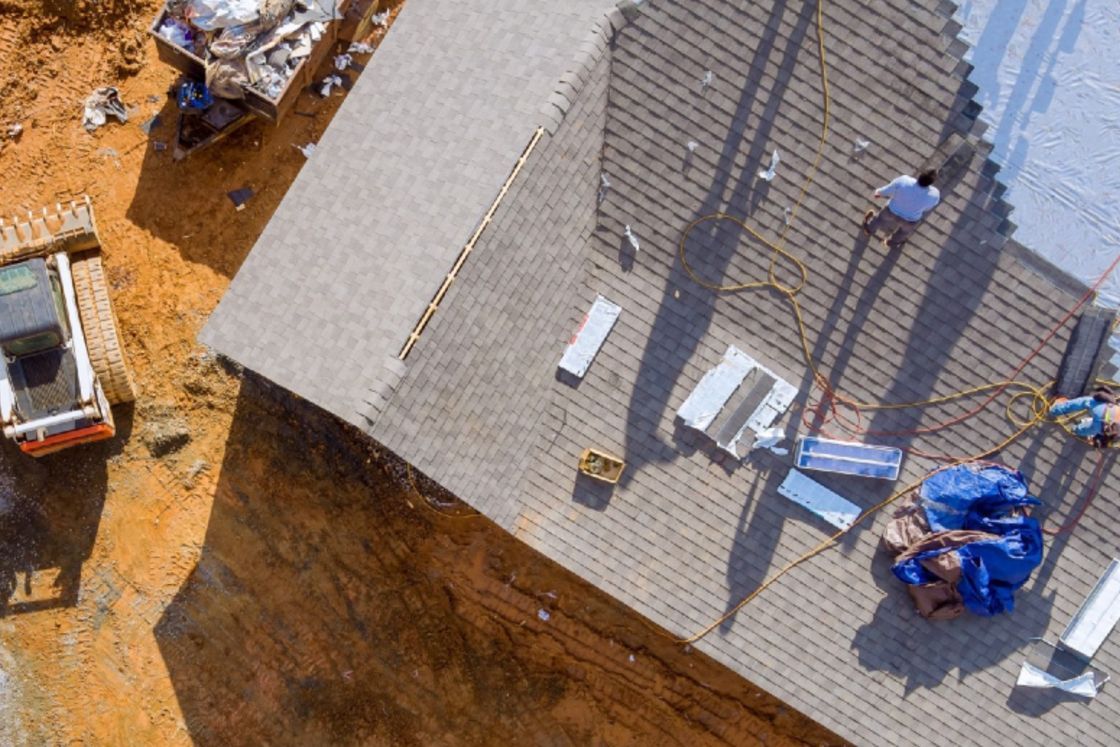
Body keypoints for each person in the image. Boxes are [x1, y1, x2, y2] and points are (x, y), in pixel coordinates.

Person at [862, 168, 941, 250]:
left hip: (891, 211)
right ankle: (891, 243)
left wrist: (878, 193)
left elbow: (888, 190)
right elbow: (927, 208)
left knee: (879, 219)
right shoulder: (935, 194)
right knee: (903, 232)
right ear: (932, 182)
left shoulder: (904, 180)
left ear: (920, 175)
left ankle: (868, 230)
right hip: (910, 220)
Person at [1049, 385, 1120, 448]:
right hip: (1101, 428)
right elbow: (1113, 438)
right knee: (1089, 430)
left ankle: (1055, 410)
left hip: (1103, 410)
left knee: (1084, 402)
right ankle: (1076, 430)